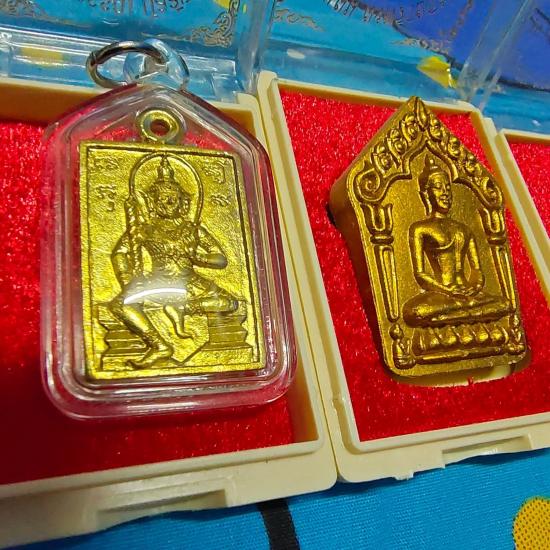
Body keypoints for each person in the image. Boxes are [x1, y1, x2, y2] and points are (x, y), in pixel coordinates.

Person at [109, 155, 237, 368]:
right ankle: (158, 345)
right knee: (120, 305)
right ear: (152, 202)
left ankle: (183, 308)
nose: (168, 202)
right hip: (157, 283)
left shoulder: (192, 230)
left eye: (173, 198)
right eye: (162, 198)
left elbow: (221, 259)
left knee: (230, 303)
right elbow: (119, 253)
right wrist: (128, 279)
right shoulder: (146, 229)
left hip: (190, 283)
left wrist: (198, 257)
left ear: (183, 202)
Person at [403, 157, 512, 327]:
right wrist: (447, 290)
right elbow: (420, 274)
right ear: (426, 194)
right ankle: (465, 315)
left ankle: (452, 318)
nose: (445, 192)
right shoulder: (420, 229)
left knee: (504, 304)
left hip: (468, 293)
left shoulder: (464, 229)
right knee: (415, 311)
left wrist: (475, 286)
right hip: (441, 293)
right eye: (438, 187)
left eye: (448, 187)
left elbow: (476, 269)